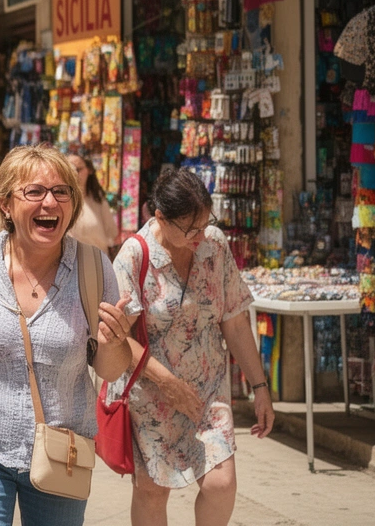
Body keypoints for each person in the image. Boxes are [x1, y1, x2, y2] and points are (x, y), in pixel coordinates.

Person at [0, 144, 135, 526]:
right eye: (34, 191)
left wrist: (115, 342)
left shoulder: (94, 268)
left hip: (64, 450)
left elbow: (111, 370)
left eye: (61, 192)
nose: (50, 202)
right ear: (6, 205)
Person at [113, 168, 274, 526]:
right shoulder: (133, 256)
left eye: (205, 224)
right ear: (160, 218)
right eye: (190, 229)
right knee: (153, 491)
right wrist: (166, 383)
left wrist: (260, 387)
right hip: (150, 393)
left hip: (207, 388)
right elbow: (119, 338)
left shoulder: (215, 245)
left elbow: (233, 318)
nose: (200, 236)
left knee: (222, 483)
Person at [67, 154, 119, 253]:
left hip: (98, 262)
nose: (74, 173)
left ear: (89, 170)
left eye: (78, 169)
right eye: (69, 169)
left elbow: (112, 232)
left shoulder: (97, 199)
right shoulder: (59, 200)